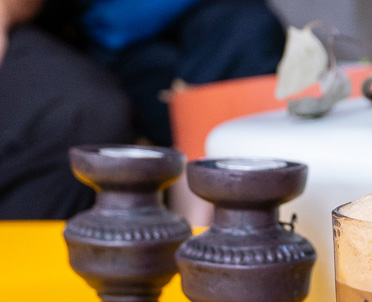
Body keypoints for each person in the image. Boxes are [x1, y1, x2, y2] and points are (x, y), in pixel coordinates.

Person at [0, 0, 286, 220]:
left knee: (248, 37)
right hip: (83, 27)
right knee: (82, 114)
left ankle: (207, 227)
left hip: (193, 25)